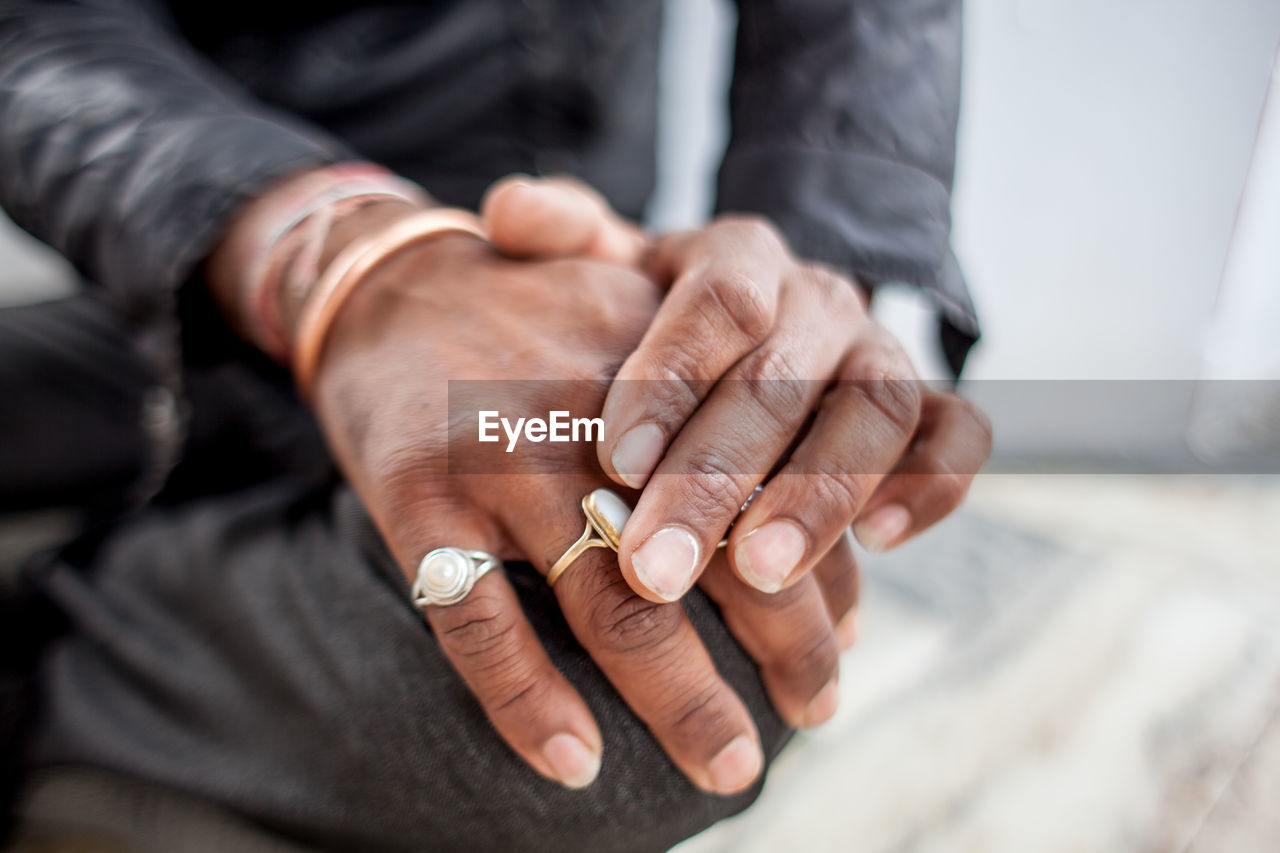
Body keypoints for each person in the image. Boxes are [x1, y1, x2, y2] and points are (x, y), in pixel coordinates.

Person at [0, 1, 990, 850]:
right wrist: (352, 262)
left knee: (649, 671)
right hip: (187, 296)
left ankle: (109, 653)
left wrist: (784, 311)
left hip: (568, 316)